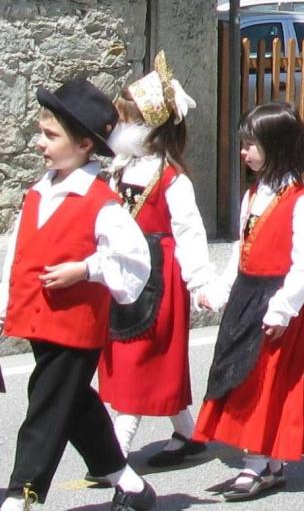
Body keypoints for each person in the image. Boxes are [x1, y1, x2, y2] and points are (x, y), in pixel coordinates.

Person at [1, 79, 153, 511]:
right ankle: (131, 485)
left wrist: (85, 268)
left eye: (50, 135)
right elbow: (19, 254)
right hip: (39, 319)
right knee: (75, 405)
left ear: (85, 144)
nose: (40, 143)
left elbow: (133, 260)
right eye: (41, 133)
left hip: (74, 326)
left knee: (45, 406)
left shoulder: (100, 202)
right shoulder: (38, 191)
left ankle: (21, 495)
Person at [193, 102, 304, 500]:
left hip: (276, 301)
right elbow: (241, 248)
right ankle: (270, 463)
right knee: (240, 376)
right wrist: (219, 289)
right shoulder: (253, 196)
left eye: (252, 144)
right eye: (244, 144)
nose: (244, 152)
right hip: (247, 296)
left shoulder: (303, 204)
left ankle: (257, 464)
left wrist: (283, 308)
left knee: (265, 384)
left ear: (277, 146)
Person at [99, 57, 214, 476]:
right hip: (123, 273)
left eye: (126, 121)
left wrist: (200, 280)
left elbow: (190, 232)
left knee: (142, 359)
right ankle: (189, 432)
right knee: (130, 355)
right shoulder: (119, 169)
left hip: (157, 276)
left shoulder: (172, 180)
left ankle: (113, 451)